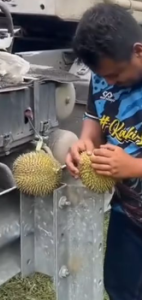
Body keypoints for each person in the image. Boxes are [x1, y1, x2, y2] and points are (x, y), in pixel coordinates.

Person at [66, 3, 142, 300]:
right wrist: (85, 141)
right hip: (128, 210)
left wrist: (134, 167)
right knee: (120, 287)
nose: (109, 82)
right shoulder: (102, 74)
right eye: (103, 76)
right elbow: (95, 118)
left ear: (139, 51)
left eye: (115, 74)